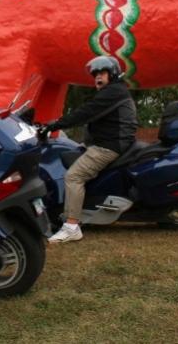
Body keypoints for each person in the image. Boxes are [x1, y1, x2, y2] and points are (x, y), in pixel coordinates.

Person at [45, 56, 138, 243]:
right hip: (107, 143)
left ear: (111, 74)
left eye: (102, 73)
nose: (97, 77)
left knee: (74, 176)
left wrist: (53, 125)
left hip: (109, 146)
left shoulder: (113, 92)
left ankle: (72, 227)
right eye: (95, 74)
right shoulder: (114, 91)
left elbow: (86, 112)